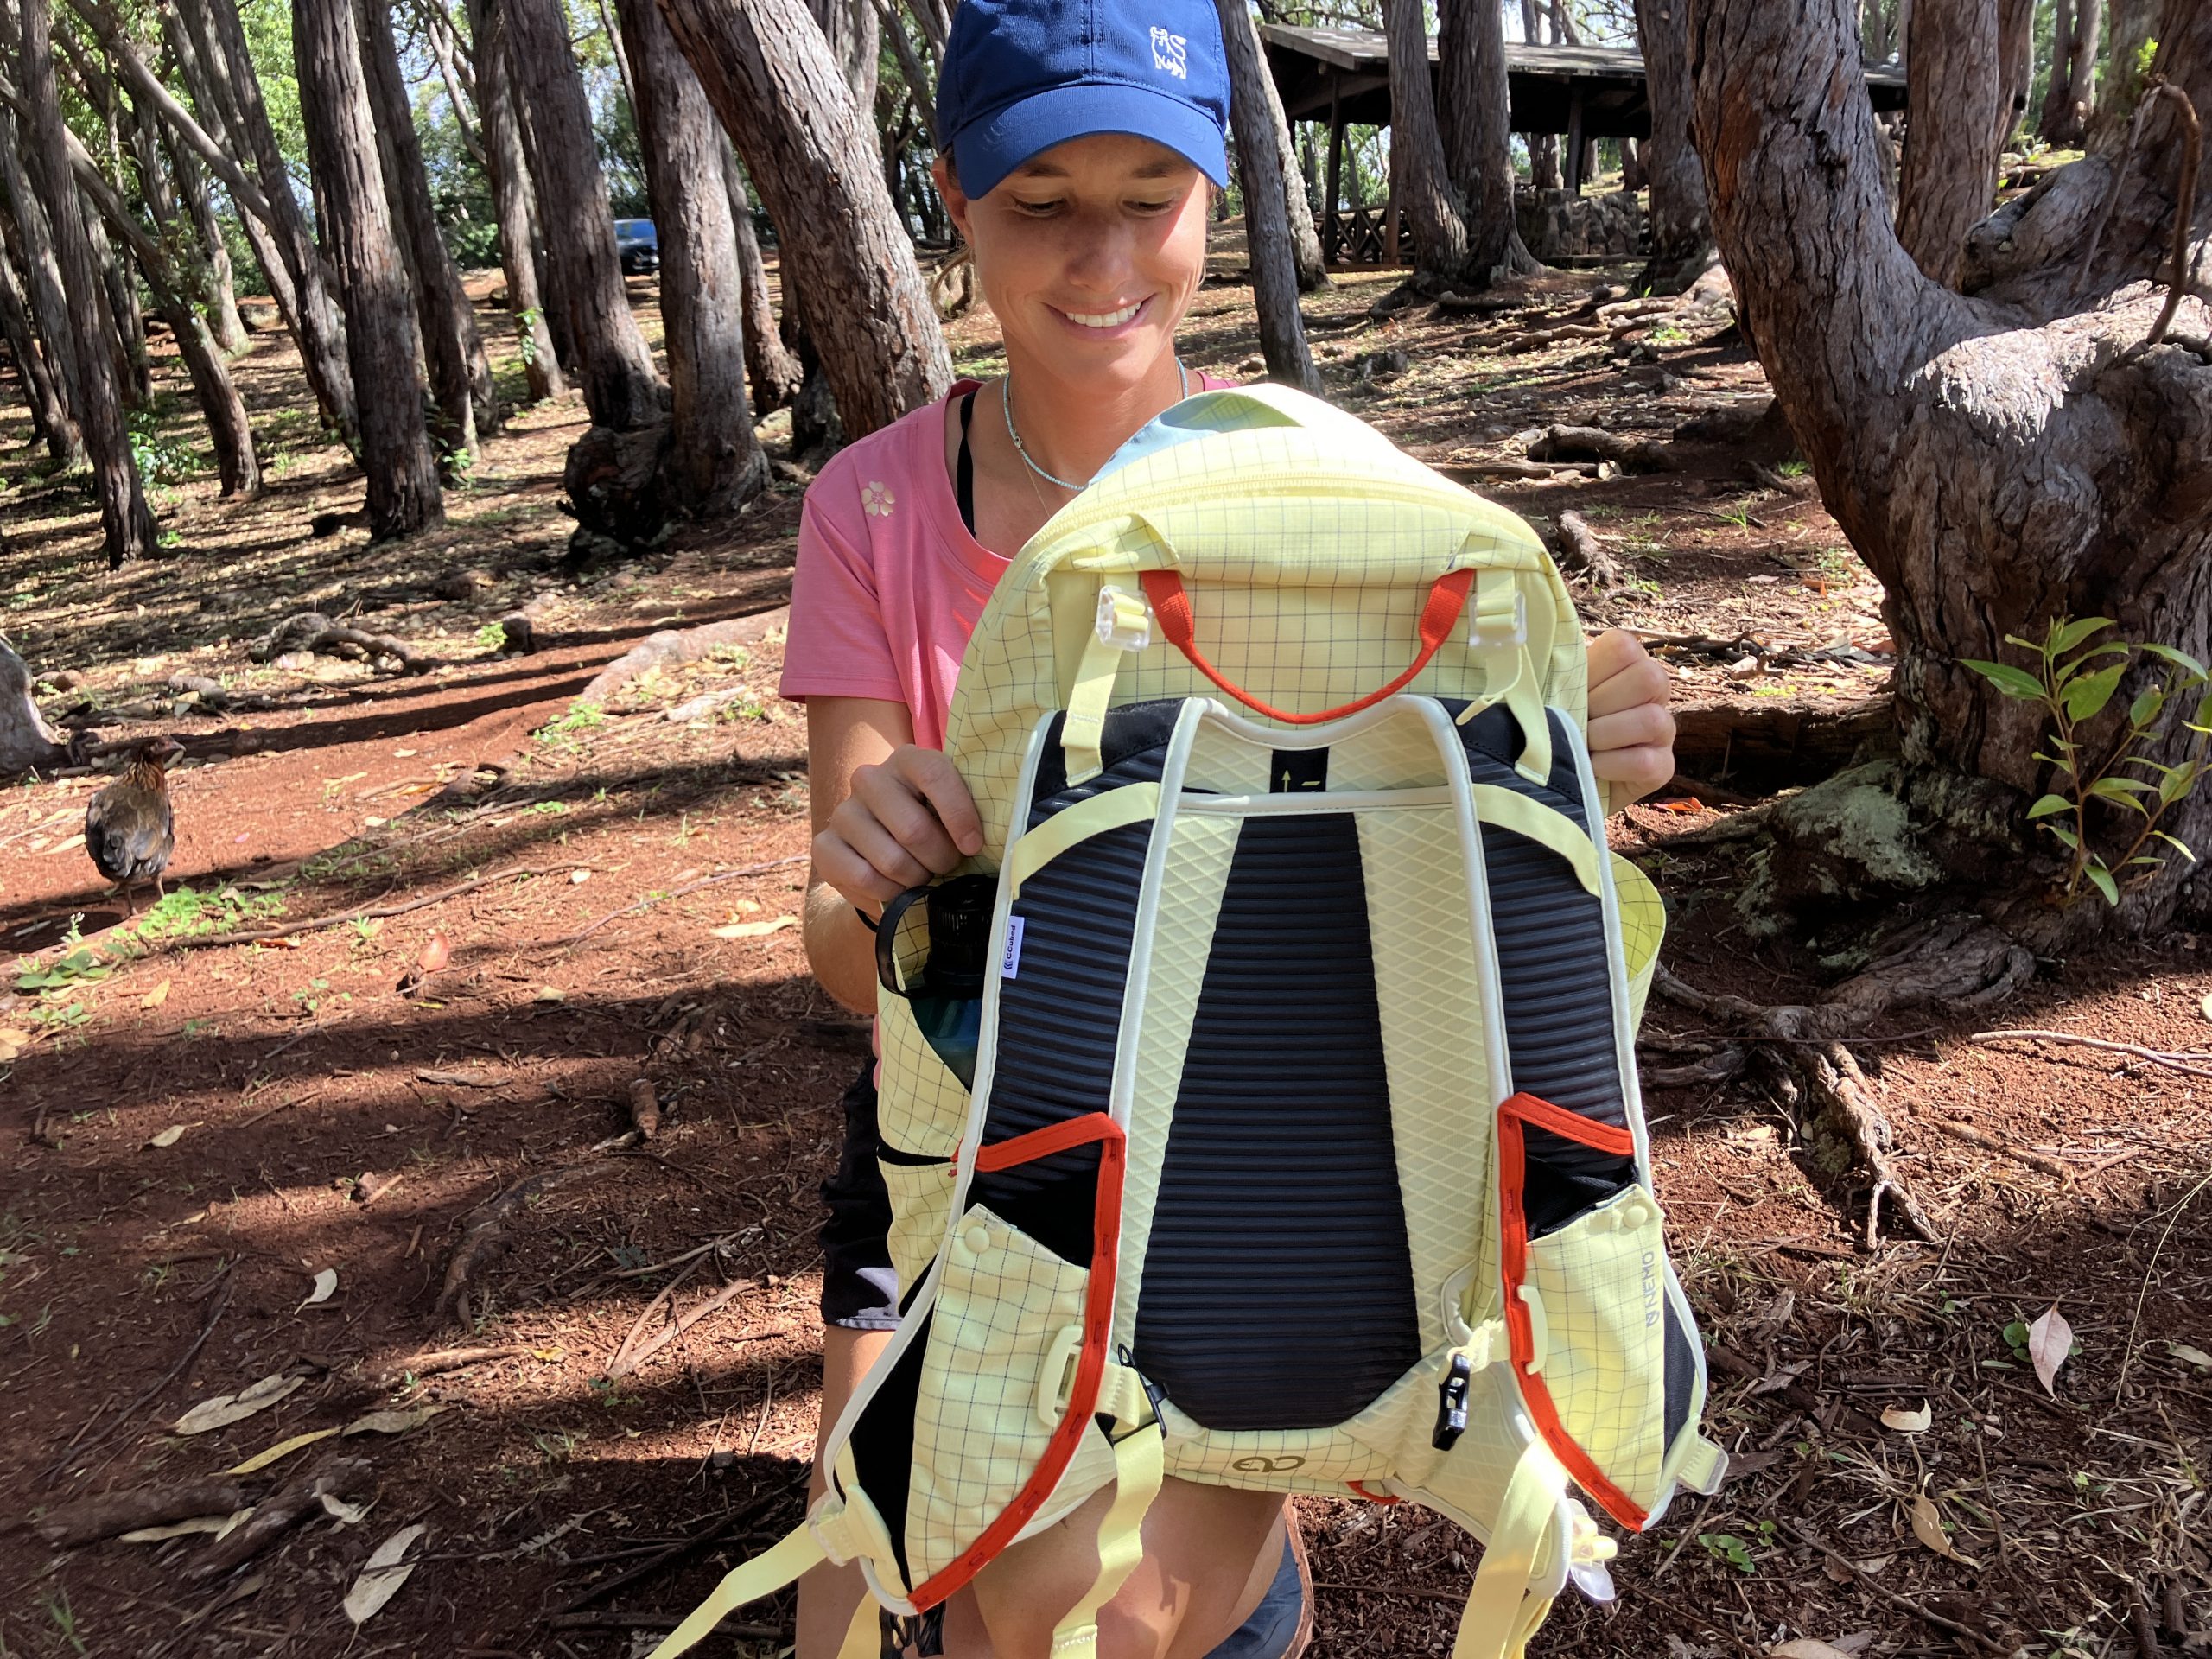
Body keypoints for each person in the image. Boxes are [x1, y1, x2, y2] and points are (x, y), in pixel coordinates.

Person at [778, 0, 1679, 1650]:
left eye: (1153, 195)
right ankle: (1240, 1570)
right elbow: (851, 970)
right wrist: (883, 869)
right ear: (953, 195)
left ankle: (1232, 1555)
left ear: (1219, 188)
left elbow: (1444, 845)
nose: (1099, 254)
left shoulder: (1323, 502)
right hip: (965, 1132)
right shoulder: (878, 507)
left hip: (1259, 1135)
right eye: (1039, 200)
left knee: (1077, 1622)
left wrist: (1572, 752)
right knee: (878, 1589)